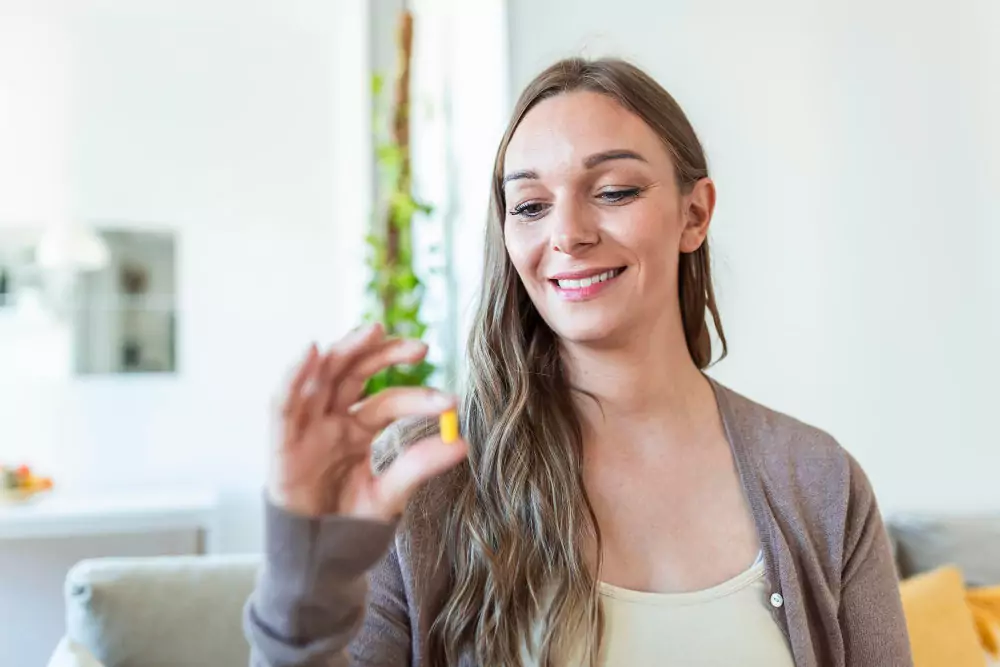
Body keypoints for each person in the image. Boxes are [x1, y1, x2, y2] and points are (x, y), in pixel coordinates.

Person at [244, 58, 912, 667]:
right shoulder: (422, 480)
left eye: (614, 191)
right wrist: (303, 604)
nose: (567, 234)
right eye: (531, 206)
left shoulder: (820, 482)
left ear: (694, 214)